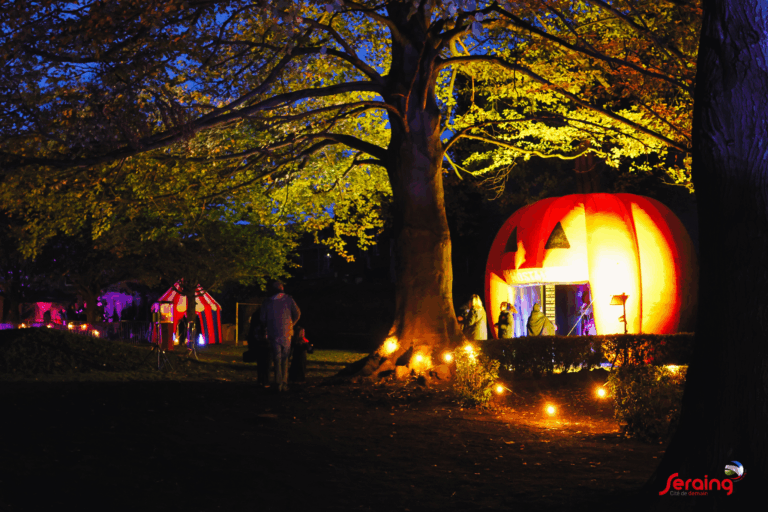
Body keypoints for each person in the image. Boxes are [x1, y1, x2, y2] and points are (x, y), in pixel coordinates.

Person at [260, 280, 300, 392]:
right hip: (287, 332)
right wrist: (291, 324)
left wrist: (266, 325)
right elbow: (297, 313)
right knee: (285, 358)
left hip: (273, 331)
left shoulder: (267, 302)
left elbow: (262, 318)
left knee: (277, 357)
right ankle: (284, 382)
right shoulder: (288, 299)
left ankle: (278, 382)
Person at [247, 307, 270, 386]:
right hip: (265, 345)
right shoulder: (264, 324)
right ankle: (265, 381)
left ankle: (260, 380)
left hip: (258, 344)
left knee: (260, 364)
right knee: (266, 364)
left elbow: (252, 333)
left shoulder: (256, 324)